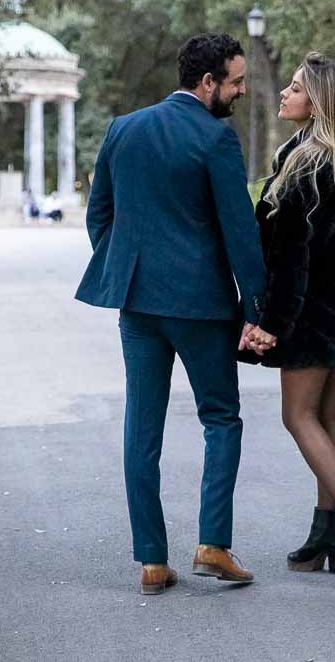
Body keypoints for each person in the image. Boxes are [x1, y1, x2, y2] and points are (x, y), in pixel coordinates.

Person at [75, 33, 268, 596]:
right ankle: (212, 545)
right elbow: (240, 230)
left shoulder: (123, 128)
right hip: (202, 305)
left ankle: (152, 561)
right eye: (234, 80)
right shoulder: (215, 138)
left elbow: (100, 215)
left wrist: (124, 267)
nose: (240, 90)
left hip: (137, 304)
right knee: (221, 418)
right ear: (207, 82)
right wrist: (254, 309)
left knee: (143, 424)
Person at [241, 52, 335, 584]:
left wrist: (270, 323)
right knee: (329, 418)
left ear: (319, 105)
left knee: (298, 417)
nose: (285, 94)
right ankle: (323, 532)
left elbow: (292, 259)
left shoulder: (305, 164)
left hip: (312, 315)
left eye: (296, 89)